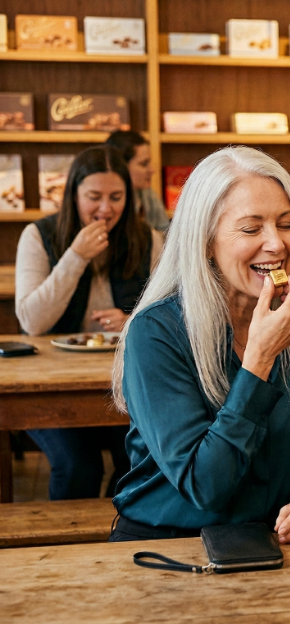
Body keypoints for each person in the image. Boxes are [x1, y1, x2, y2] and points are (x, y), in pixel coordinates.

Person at [108, 146, 290, 543]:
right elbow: (206, 487)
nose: (277, 244)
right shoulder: (156, 333)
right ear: (205, 241)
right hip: (169, 547)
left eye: (286, 225)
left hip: (275, 547)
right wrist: (259, 362)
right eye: (251, 229)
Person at [14, 146, 162, 500]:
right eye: (93, 197)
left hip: (121, 382)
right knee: (78, 465)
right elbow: (32, 322)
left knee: (139, 461)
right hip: (50, 383)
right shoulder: (38, 236)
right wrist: (75, 257)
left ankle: (121, 535)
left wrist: (130, 321)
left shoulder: (148, 239)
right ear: (73, 194)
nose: (105, 209)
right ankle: (63, 551)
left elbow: (167, 314)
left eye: (116, 197)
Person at [105, 130, 171, 233]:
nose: (152, 170)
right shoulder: (105, 201)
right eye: (144, 164)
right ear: (121, 166)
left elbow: (165, 233)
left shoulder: (148, 193)